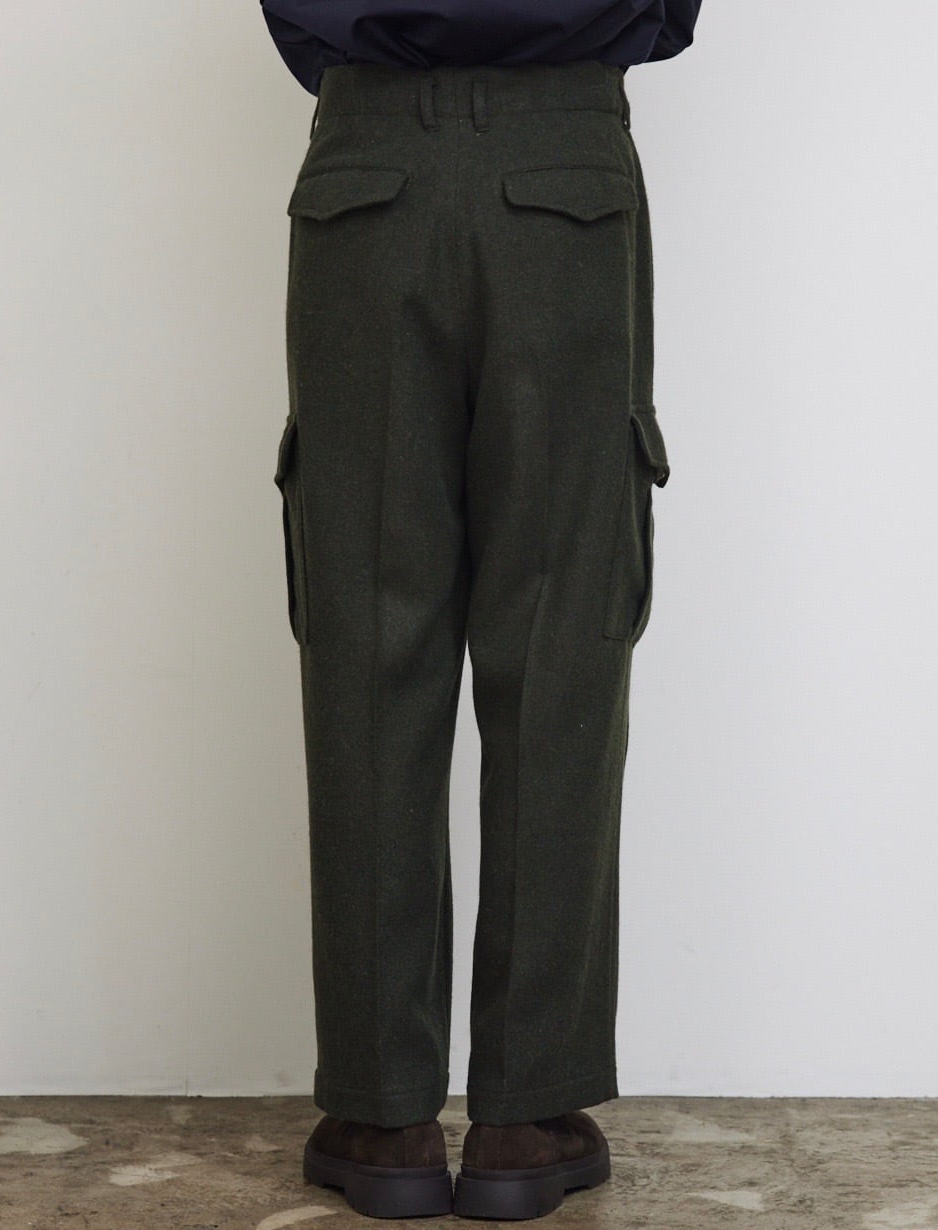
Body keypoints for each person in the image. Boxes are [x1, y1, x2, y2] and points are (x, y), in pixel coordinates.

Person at [262, 2, 703, 1219]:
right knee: (563, 634)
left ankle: (382, 1115)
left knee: (367, 637)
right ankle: (525, 1116)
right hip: (566, 161)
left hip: (366, 169)